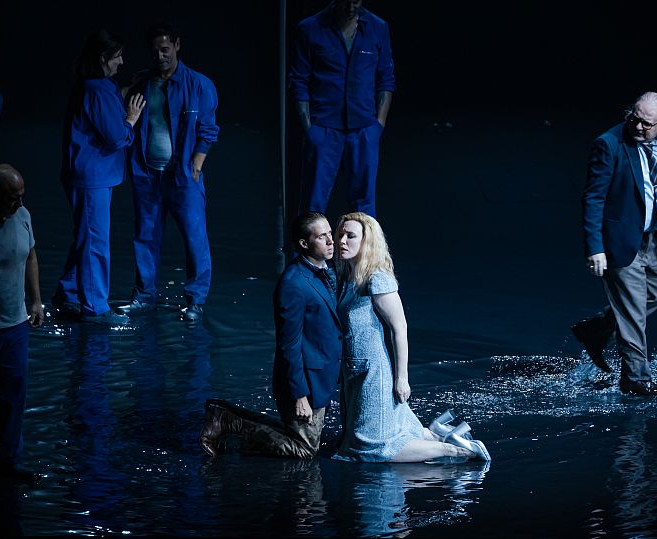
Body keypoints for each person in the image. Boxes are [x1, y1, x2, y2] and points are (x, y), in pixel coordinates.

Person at [332, 212, 490, 462]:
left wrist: (401, 378)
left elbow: (399, 327)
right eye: (340, 234)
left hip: (374, 372)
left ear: (366, 242)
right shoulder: (348, 277)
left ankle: (459, 450)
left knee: (372, 448)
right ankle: (438, 435)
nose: (341, 240)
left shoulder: (376, 279)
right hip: (355, 371)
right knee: (360, 436)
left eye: (350, 235)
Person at [199, 212, 343, 458]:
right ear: (304, 244)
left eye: (330, 233)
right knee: (304, 449)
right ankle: (230, 422)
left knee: (302, 440)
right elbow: (289, 344)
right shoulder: (293, 284)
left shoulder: (326, 271)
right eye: (322, 236)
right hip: (304, 382)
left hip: (321, 376)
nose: (331, 241)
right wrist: (299, 394)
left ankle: (223, 413)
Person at [572, 92, 657, 396]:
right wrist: (595, 247)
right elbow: (593, 197)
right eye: (634, 117)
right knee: (632, 311)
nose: (638, 125)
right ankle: (635, 378)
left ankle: (597, 329)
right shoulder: (609, 144)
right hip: (619, 241)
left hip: (654, 235)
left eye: (646, 123)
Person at [117, 22, 219, 322]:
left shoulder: (199, 84)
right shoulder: (142, 82)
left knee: (194, 237)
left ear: (177, 44)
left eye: (165, 49)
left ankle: (195, 300)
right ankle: (145, 296)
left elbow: (209, 128)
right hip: (148, 174)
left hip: (183, 176)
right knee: (145, 236)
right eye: (155, 51)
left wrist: (197, 162)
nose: (160, 55)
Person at [51, 29, 146, 326]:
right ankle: (94, 308)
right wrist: (130, 118)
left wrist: (122, 92)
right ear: (103, 58)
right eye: (117, 56)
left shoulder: (92, 86)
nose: (121, 61)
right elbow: (116, 137)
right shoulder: (96, 88)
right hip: (92, 178)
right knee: (94, 241)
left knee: (85, 235)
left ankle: (67, 293)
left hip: (84, 174)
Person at [289, 0, 394, 218]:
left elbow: (385, 78)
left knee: (364, 205)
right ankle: (306, 253)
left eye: (356, 1)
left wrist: (379, 125)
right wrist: (310, 129)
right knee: (312, 204)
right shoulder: (310, 28)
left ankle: (364, 253)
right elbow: (299, 80)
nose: (351, 7)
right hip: (325, 128)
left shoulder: (377, 27)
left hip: (364, 129)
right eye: (346, 1)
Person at [0, 164, 44, 482]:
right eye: (13, 198)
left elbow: (31, 257)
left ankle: (8, 462)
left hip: (15, 325)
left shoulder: (22, 217)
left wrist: (36, 300)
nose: (20, 203)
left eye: (22, 196)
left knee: (14, 398)